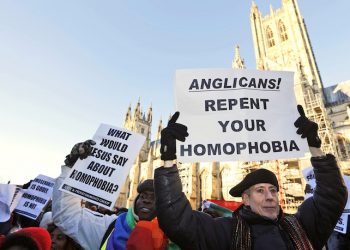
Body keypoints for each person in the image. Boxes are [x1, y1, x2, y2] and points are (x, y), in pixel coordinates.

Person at [154, 106, 348, 250]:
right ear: (245, 199)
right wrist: (169, 159)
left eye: (273, 190)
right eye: (260, 190)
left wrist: (315, 148)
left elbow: (333, 197)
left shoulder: (300, 226)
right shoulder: (226, 232)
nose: (270, 196)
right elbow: (176, 221)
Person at [52, 141, 179, 250]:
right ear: (135, 200)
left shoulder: (177, 237)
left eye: (154, 198)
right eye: (143, 196)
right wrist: (72, 169)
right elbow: (65, 215)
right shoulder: (109, 227)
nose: (147, 201)